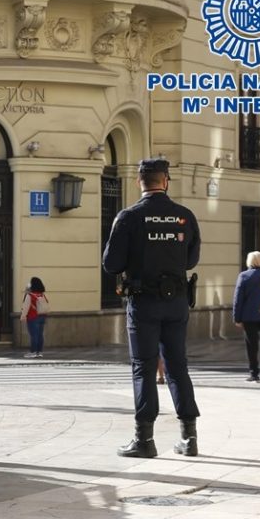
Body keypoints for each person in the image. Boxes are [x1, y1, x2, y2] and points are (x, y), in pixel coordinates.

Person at [102, 158, 201, 458]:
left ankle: (144, 440)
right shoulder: (184, 216)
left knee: (144, 367)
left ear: (139, 182)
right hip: (176, 302)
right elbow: (190, 260)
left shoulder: (129, 216)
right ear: (166, 180)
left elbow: (111, 264)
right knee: (177, 365)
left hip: (144, 302)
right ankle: (189, 437)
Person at [233, 251, 260, 382]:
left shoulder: (244, 276)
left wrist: (237, 318)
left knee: (251, 345)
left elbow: (238, 299)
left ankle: (254, 374)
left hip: (248, 316)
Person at [19, 277, 48, 358]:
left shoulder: (30, 295)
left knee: (33, 335)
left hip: (33, 317)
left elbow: (26, 307)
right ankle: (39, 352)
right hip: (42, 316)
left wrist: (23, 316)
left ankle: (33, 352)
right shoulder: (42, 294)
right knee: (40, 335)